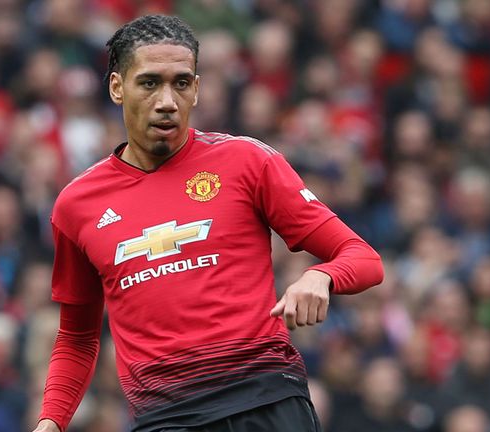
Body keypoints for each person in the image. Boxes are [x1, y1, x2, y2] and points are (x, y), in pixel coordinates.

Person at [32, 14, 383, 432]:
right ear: (117, 87)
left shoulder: (247, 162)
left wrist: (321, 276)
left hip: (266, 402)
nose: (167, 100)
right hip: (166, 419)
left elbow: (363, 258)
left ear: (197, 89)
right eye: (149, 83)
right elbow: (77, 338)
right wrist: (51, 422)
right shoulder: (77, 205)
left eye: (181, 83)